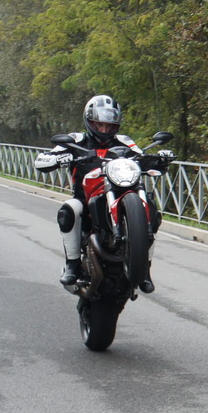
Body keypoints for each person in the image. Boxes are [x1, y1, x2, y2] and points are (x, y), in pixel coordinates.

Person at [34, 95, 155, 293]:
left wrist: (159, 158)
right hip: (85, 200)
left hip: (122, 197)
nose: (104, 130)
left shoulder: (125, 142)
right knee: (70, 209)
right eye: (99, 125)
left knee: (150, 207)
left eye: (110, 126)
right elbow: (41, 161)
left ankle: (145, 267)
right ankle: (72, 264)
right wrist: (59, 157)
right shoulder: (75, 140)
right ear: (89, 121)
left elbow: (142, 157)